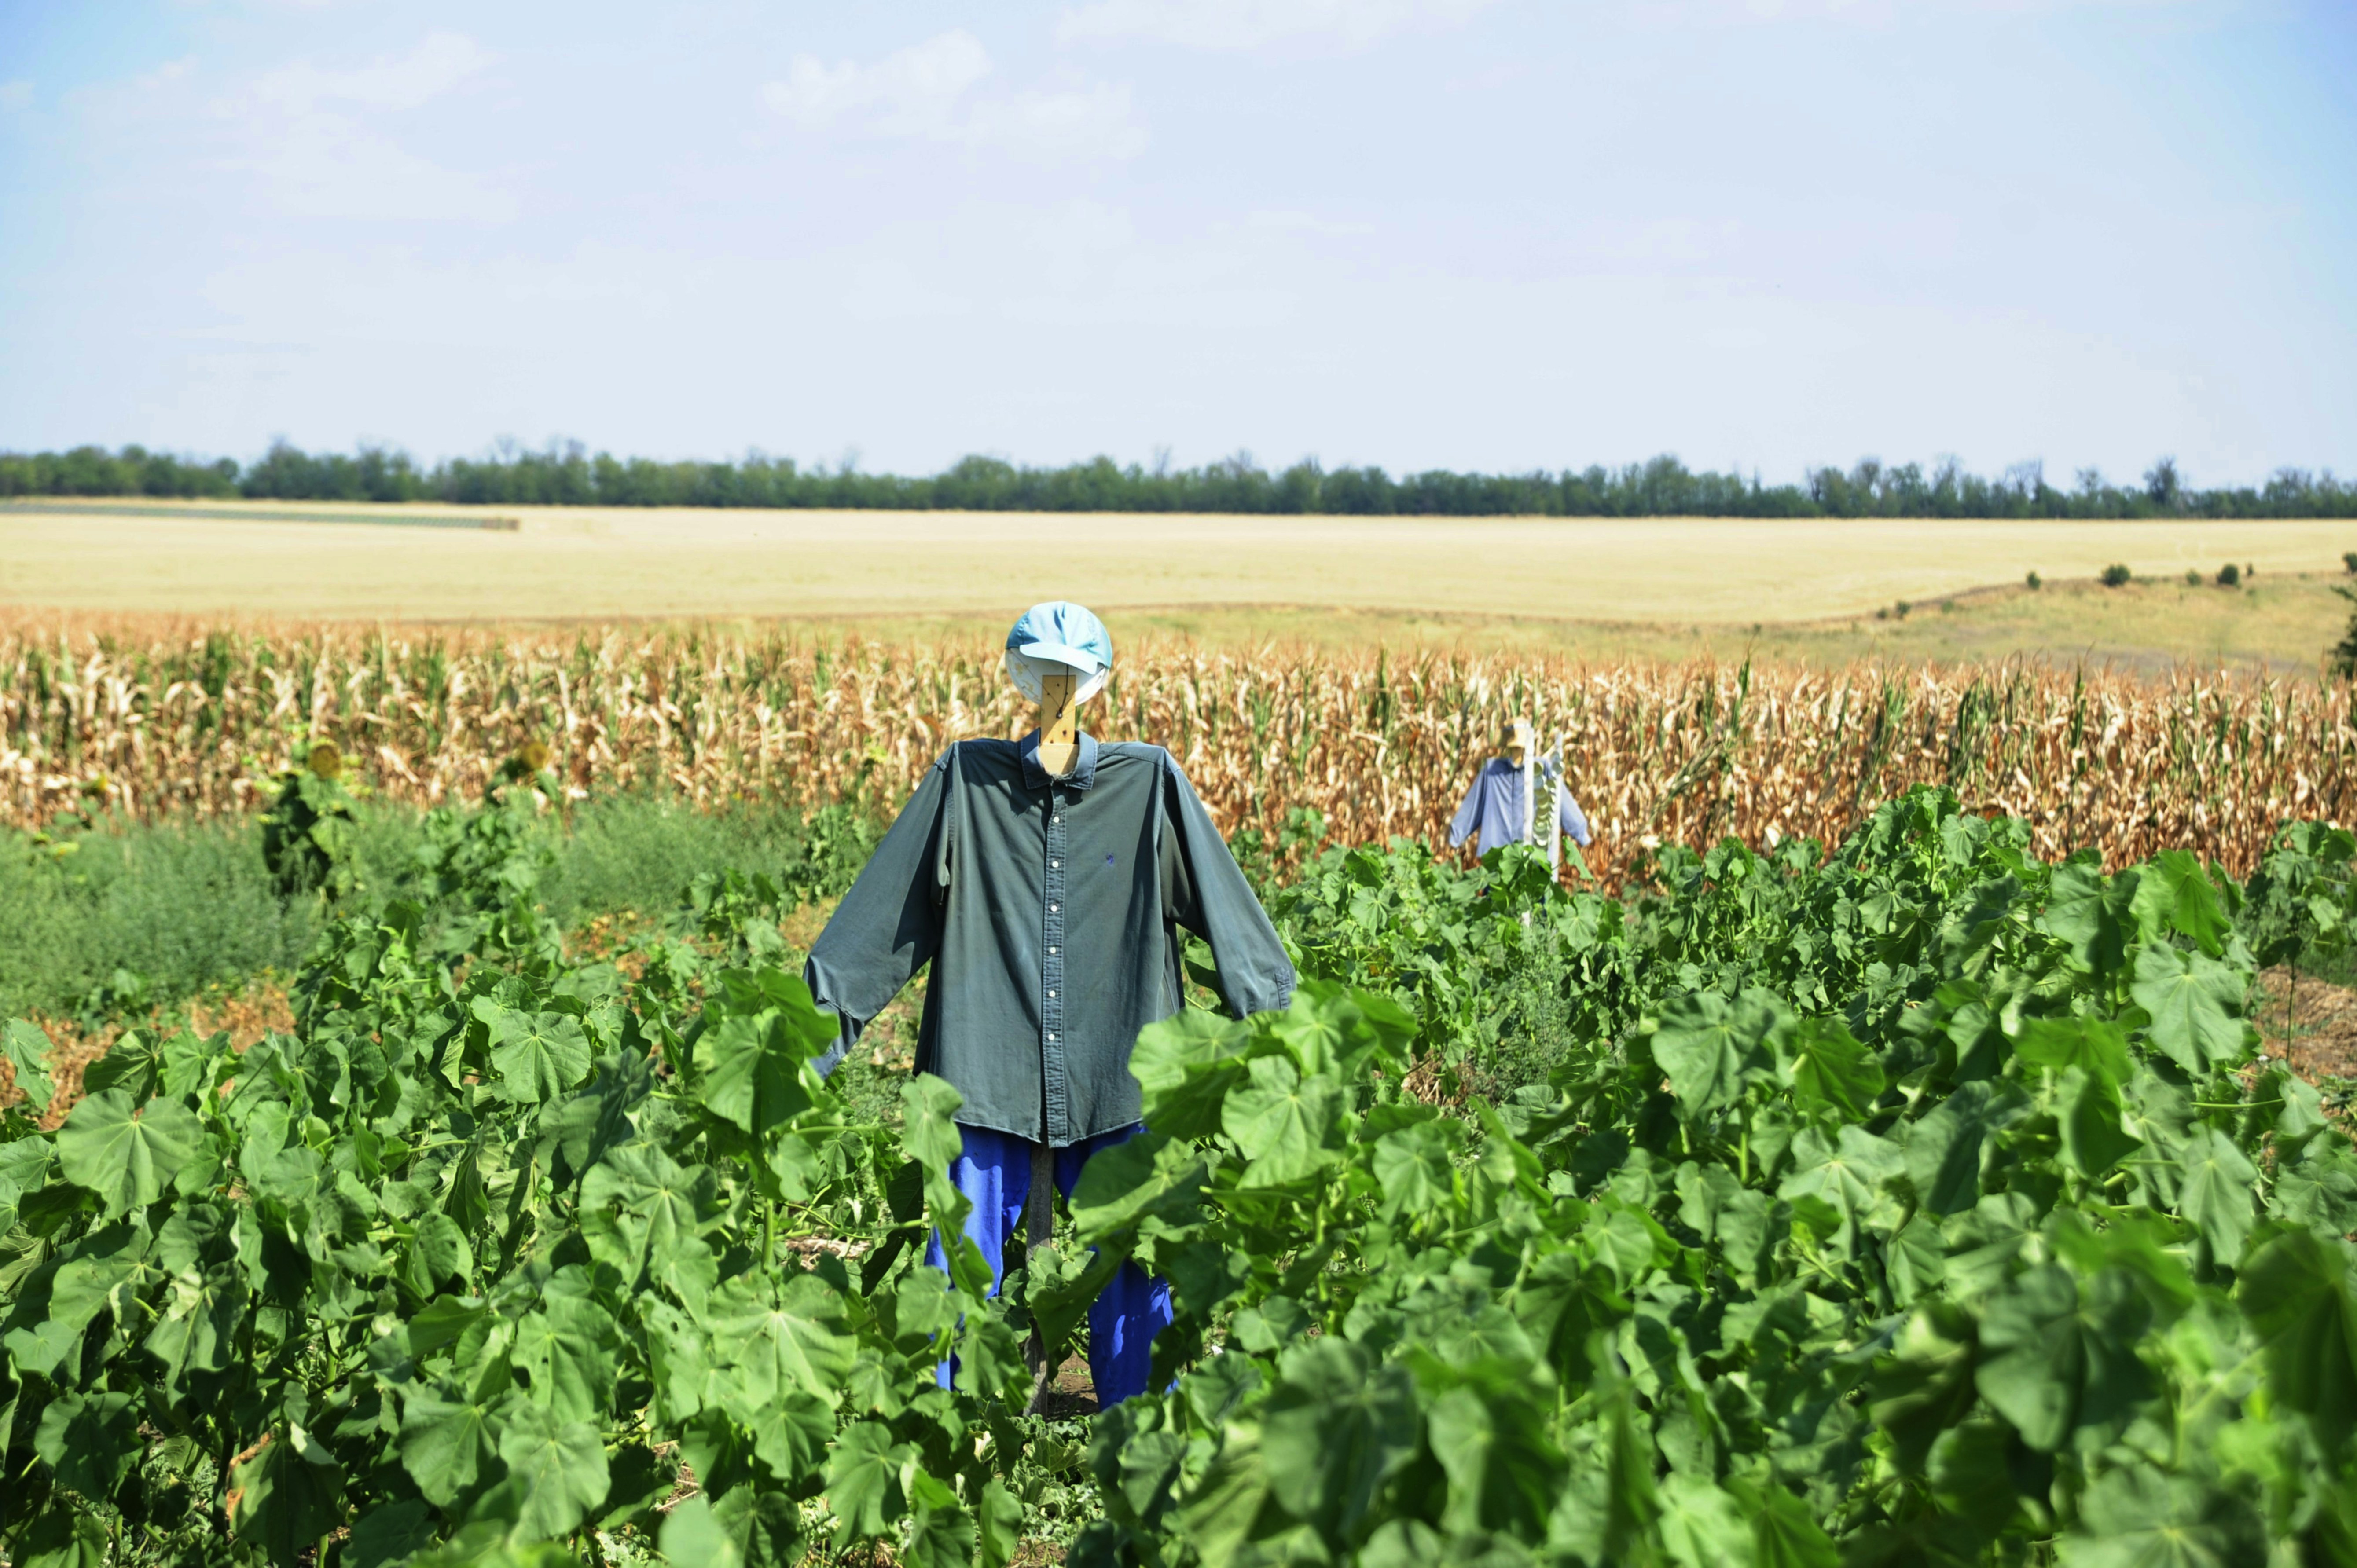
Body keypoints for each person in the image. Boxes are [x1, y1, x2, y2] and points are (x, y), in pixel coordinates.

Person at [802, 602, 1296, 1406]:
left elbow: (1233, 922)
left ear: (1089, 684)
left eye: (1068, 675)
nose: (1056, 689)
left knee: (1137, 1262)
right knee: (955, 1266)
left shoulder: (1150, 784)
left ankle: (1142, 1439)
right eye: (1045, 673)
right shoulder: (965, 781)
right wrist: (801, 1048)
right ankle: (941, 1435)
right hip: (983, 1066)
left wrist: (1291, 1045)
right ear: (1025, 680)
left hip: (1120, 1072)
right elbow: (879, 924)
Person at [1448, 720, 1592, 857]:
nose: (1518, 751)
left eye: (1520, 747)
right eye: (1515, 747)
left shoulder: (1543, 769)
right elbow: (1472, 807)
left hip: (1535, 860)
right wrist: (1456, 837)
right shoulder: (1492, 771)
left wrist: (1581, 834)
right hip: (1498, 860)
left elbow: (1564, 803)